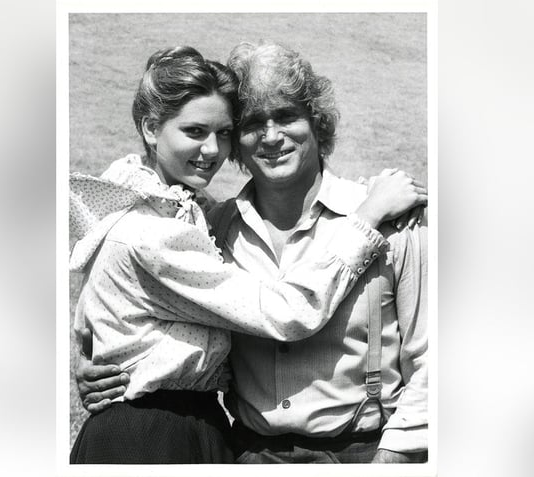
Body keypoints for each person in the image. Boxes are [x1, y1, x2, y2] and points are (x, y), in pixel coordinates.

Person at [69, 45, 427, 464]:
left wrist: (396, 457)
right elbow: (284, 311)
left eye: (288, 116)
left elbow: (434, 360)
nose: (272, 136)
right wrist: (95, 357)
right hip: (237, 452)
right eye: (253, 123)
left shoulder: (394, 221)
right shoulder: (211, 231)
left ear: (319, 124)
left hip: (363, 453)